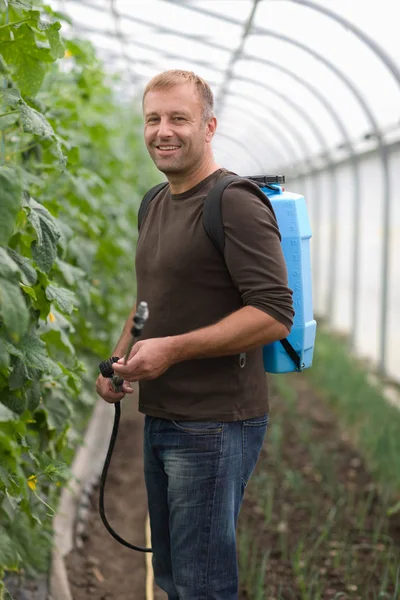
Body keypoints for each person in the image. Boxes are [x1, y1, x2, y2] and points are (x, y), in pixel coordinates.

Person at [96, 69, 294, 600]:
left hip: (214, 427)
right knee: (172, 578)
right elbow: (147, 300)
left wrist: (173, 350)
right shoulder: (154, 202)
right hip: (162, 417)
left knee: (201, 585)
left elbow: (275, 313)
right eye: (153, 119)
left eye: (178, 118)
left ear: (208, 126)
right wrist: (119, 358)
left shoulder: (234, 201)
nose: (163, 131)